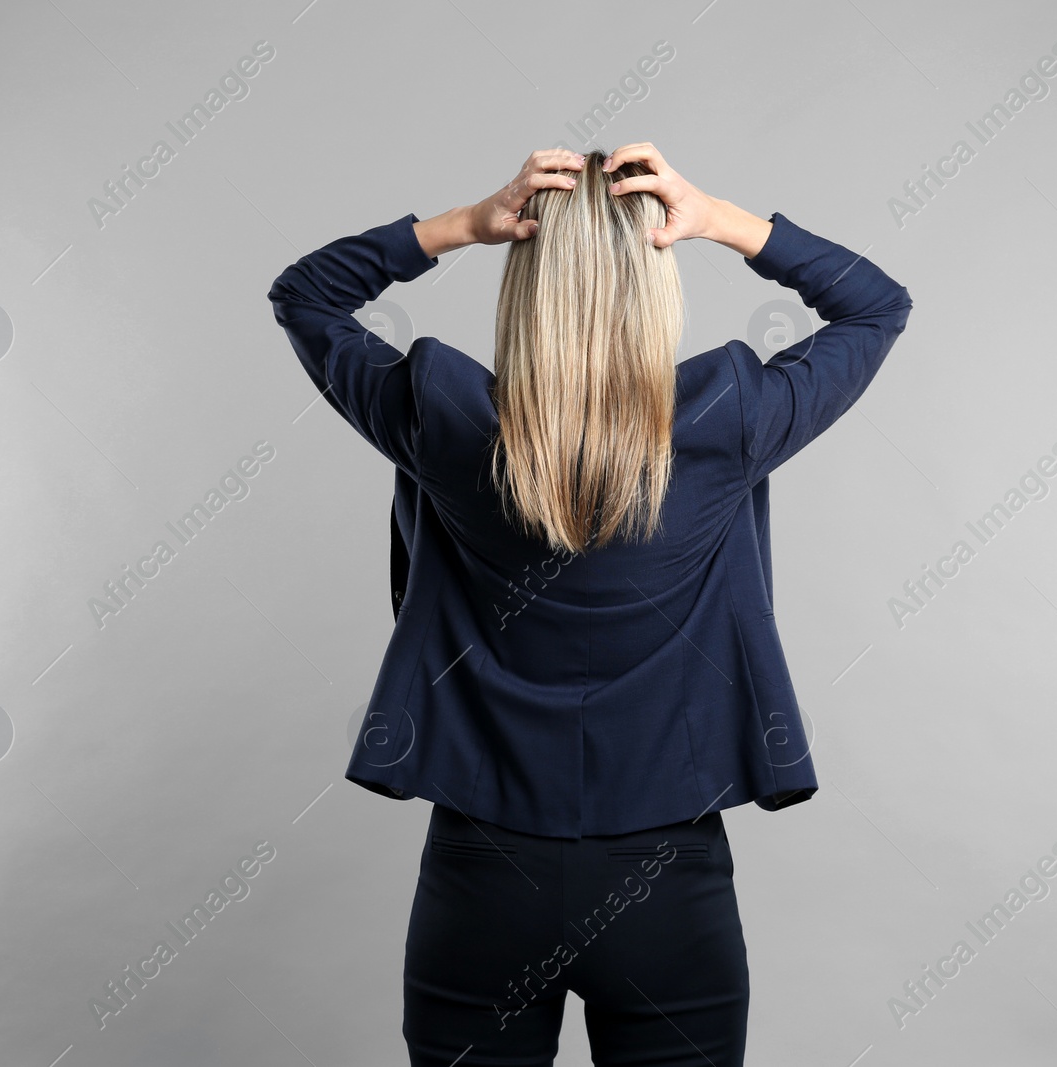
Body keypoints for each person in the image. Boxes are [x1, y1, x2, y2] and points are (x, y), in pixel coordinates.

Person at [267, 143, 914, 1066]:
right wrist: (718, 219)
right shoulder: (725, 420)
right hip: (667, 885)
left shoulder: (443, 418)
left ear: (524, 285)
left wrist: (465, 225)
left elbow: (305, 294)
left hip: (482, 878)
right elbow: (876, 303)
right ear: (656, 282)